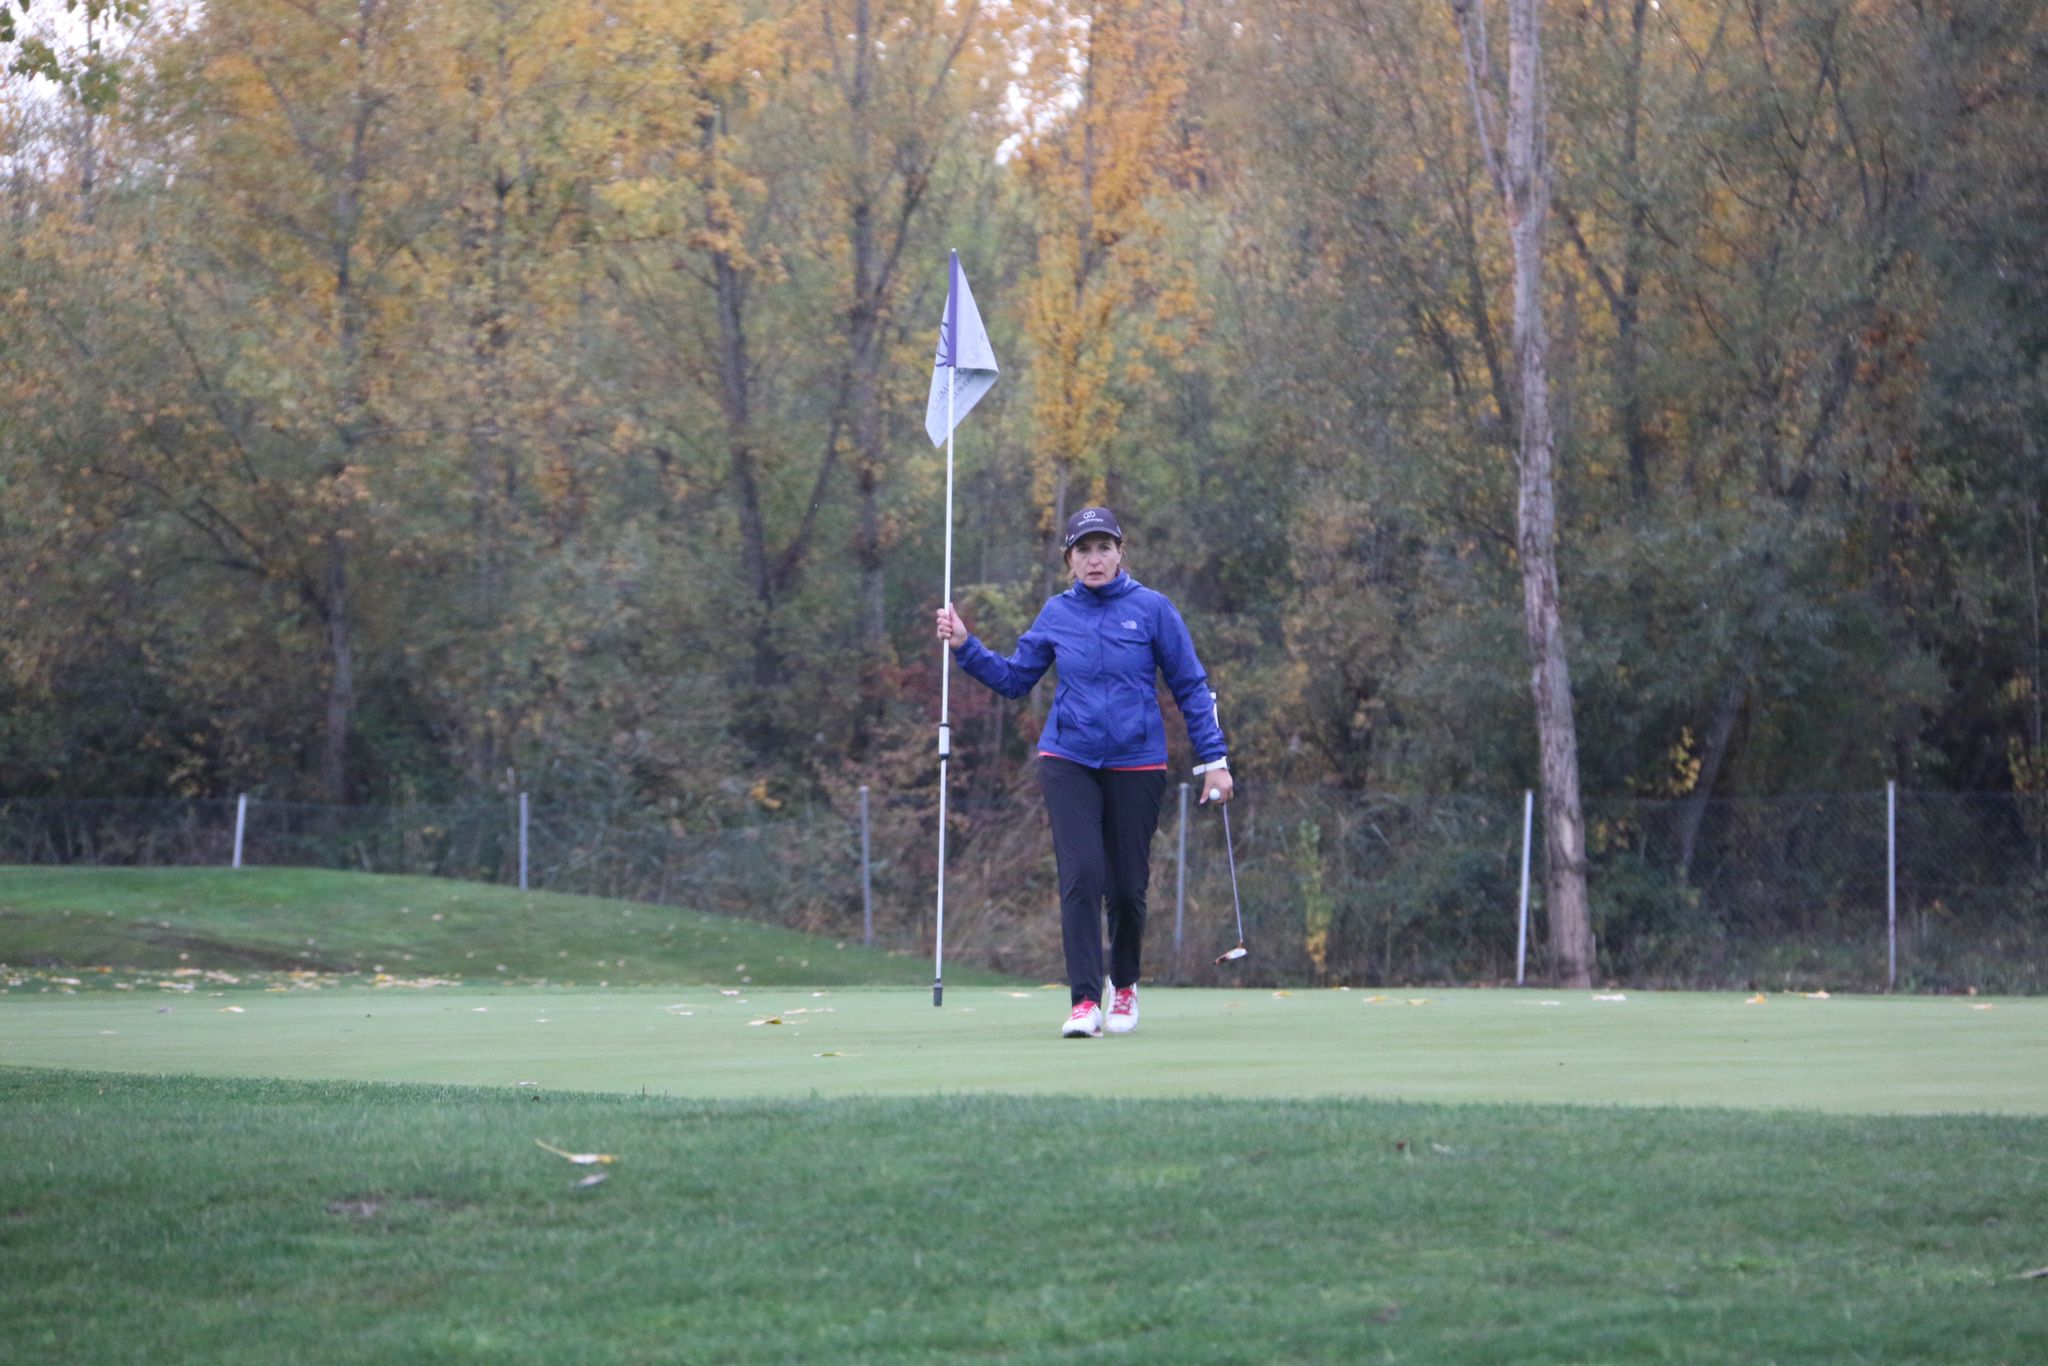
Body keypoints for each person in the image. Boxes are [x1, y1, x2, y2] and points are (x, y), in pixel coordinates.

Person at [935, 506, 1233, 1038]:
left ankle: (1124, 986)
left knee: (1125, 887)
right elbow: (1013, 679)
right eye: (1083, 550)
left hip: (1137, 761)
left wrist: (1215, 761)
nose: (1094, 559)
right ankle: (1084, 1002)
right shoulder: (1056, 614)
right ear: (1068, 560)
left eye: (1103, 548)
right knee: (1081, 875)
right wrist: (965, 646)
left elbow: (1191, 686)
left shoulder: (1153, 610)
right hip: (1068, 758)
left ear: (1121, 552)